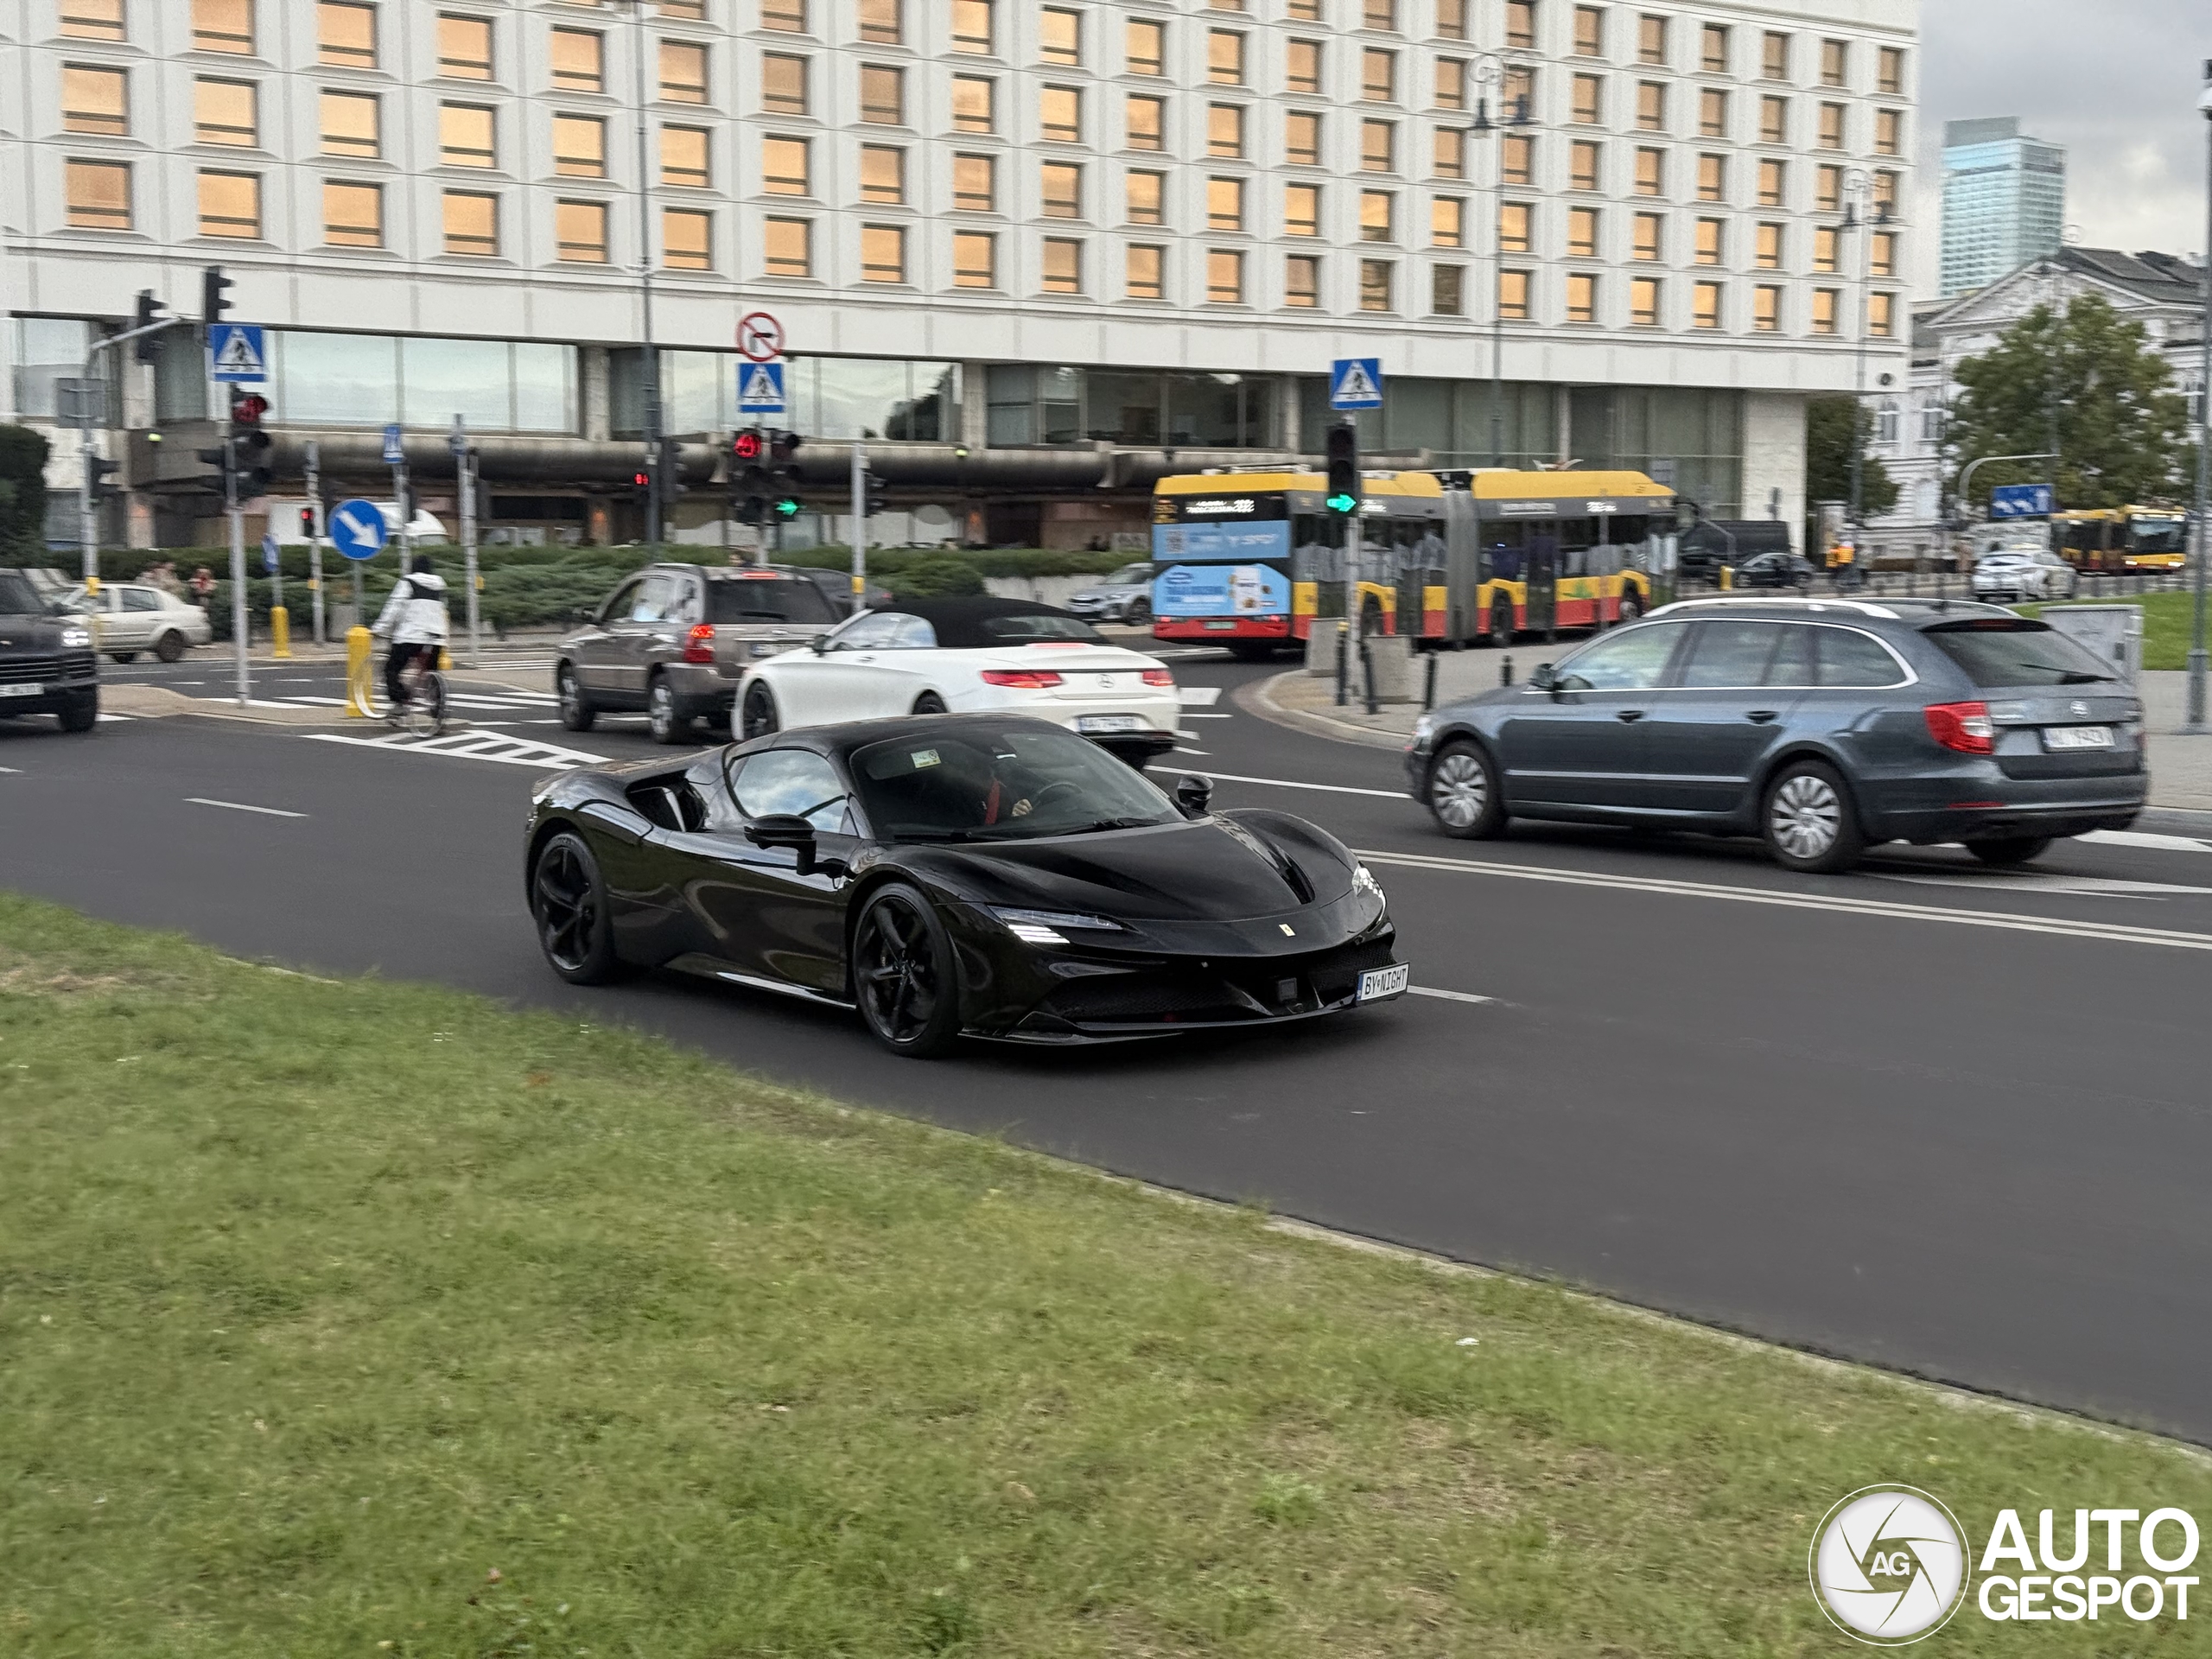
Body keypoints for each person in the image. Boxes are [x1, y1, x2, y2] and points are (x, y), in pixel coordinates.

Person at [371, 553, 450, 707]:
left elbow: (394, 607)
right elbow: (442, 609)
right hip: (435, 638)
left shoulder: (408, 582)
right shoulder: (440, 585)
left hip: (410, 637)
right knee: (431, 671)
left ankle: (401, 700)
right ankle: (438, 708)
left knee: (391, 671)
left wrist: (379, 628)